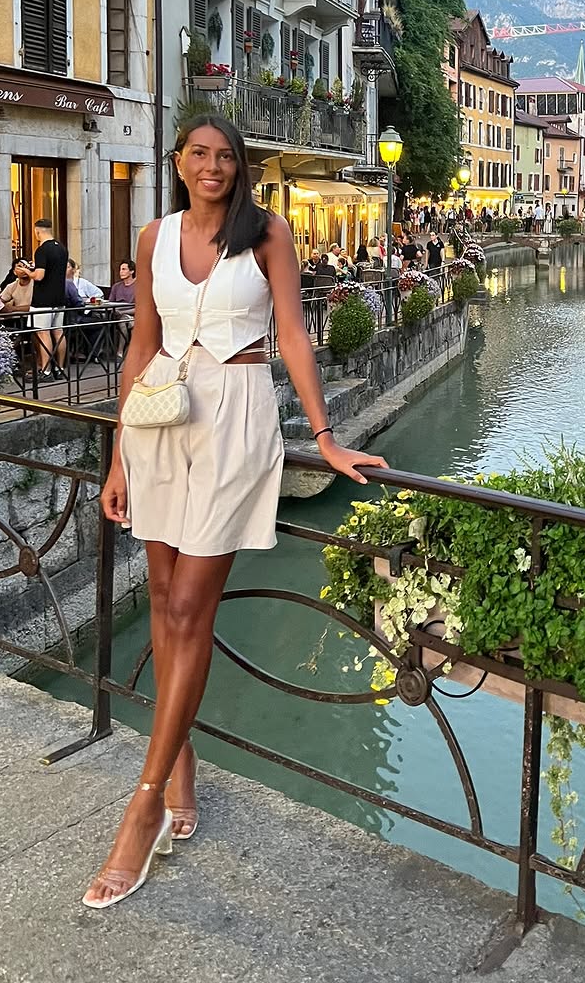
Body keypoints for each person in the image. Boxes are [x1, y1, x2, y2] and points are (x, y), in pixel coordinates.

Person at [82, 114, 387, 910]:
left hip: (236, 418)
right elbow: (140, 347)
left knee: (189, 605)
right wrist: (116, 458)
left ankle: (144, 802)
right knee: (161, 600)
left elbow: (293, 336)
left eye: (225, 156)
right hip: (158, 418)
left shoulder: (268, 233)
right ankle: (179, 763)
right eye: (199, 154)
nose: (212, 166)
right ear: (179, 162)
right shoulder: (154, 237)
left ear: (239, 167)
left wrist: (326, 435)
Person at [21, 218, 69, 379]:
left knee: (43, 333)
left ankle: (46, 371)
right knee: (58, 332)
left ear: (37, 231)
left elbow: (39, 276)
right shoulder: (62, 248)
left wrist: (27, 271)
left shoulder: (42, 250)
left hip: (43, 299)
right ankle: (60, 369)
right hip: (59, 297)